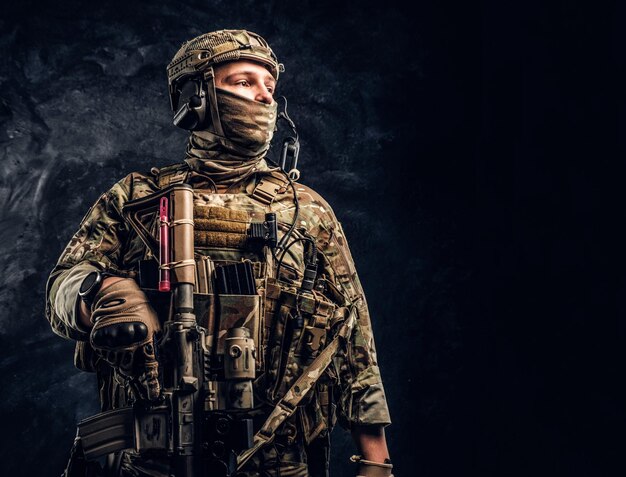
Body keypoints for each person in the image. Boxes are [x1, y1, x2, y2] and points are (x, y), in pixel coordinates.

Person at [45, 29, 392, 477]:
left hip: (274, 453)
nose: (264, 98)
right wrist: (101, 293)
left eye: (270, 87)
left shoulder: (305, 210)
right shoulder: (138, 199)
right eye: (244, 82)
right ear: (197, 97)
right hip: (154, 450)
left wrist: (375, 460)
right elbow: (62, 284)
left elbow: (355, 339)